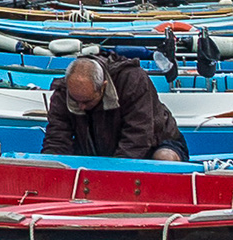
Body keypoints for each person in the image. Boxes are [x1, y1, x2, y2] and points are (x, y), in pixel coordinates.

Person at [45, 53, 185, 163]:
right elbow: (57, 138)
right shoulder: (62, 91)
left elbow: (138, 136)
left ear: (103, 87)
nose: (81, 107)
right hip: (93, 148)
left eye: (87, 101)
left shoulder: (133, 81)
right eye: (75, 101)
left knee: (164, 157)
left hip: (154, 143)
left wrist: (115, 173)